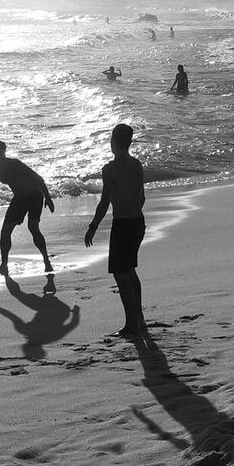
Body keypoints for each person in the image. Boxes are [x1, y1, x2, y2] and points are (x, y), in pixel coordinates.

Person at [84, 122, 147, 337]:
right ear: (129, 143)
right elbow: (142, 198)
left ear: (113, 142)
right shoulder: (137, 165)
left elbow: (104, 202)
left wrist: (93, 226)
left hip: (122, 224)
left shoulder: (109, 169)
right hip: (138, 222)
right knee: (129, 269)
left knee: (121, 274)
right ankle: (138, 318)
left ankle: (132, 323)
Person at [0, 140, 55, 275]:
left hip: (35, 196)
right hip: (19, 199)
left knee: (33, 228)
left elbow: (37, 178)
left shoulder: (14, 163)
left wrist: (48, 197)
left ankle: (46, 261)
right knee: (5, 232)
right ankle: (4, 265)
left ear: (2, 152)